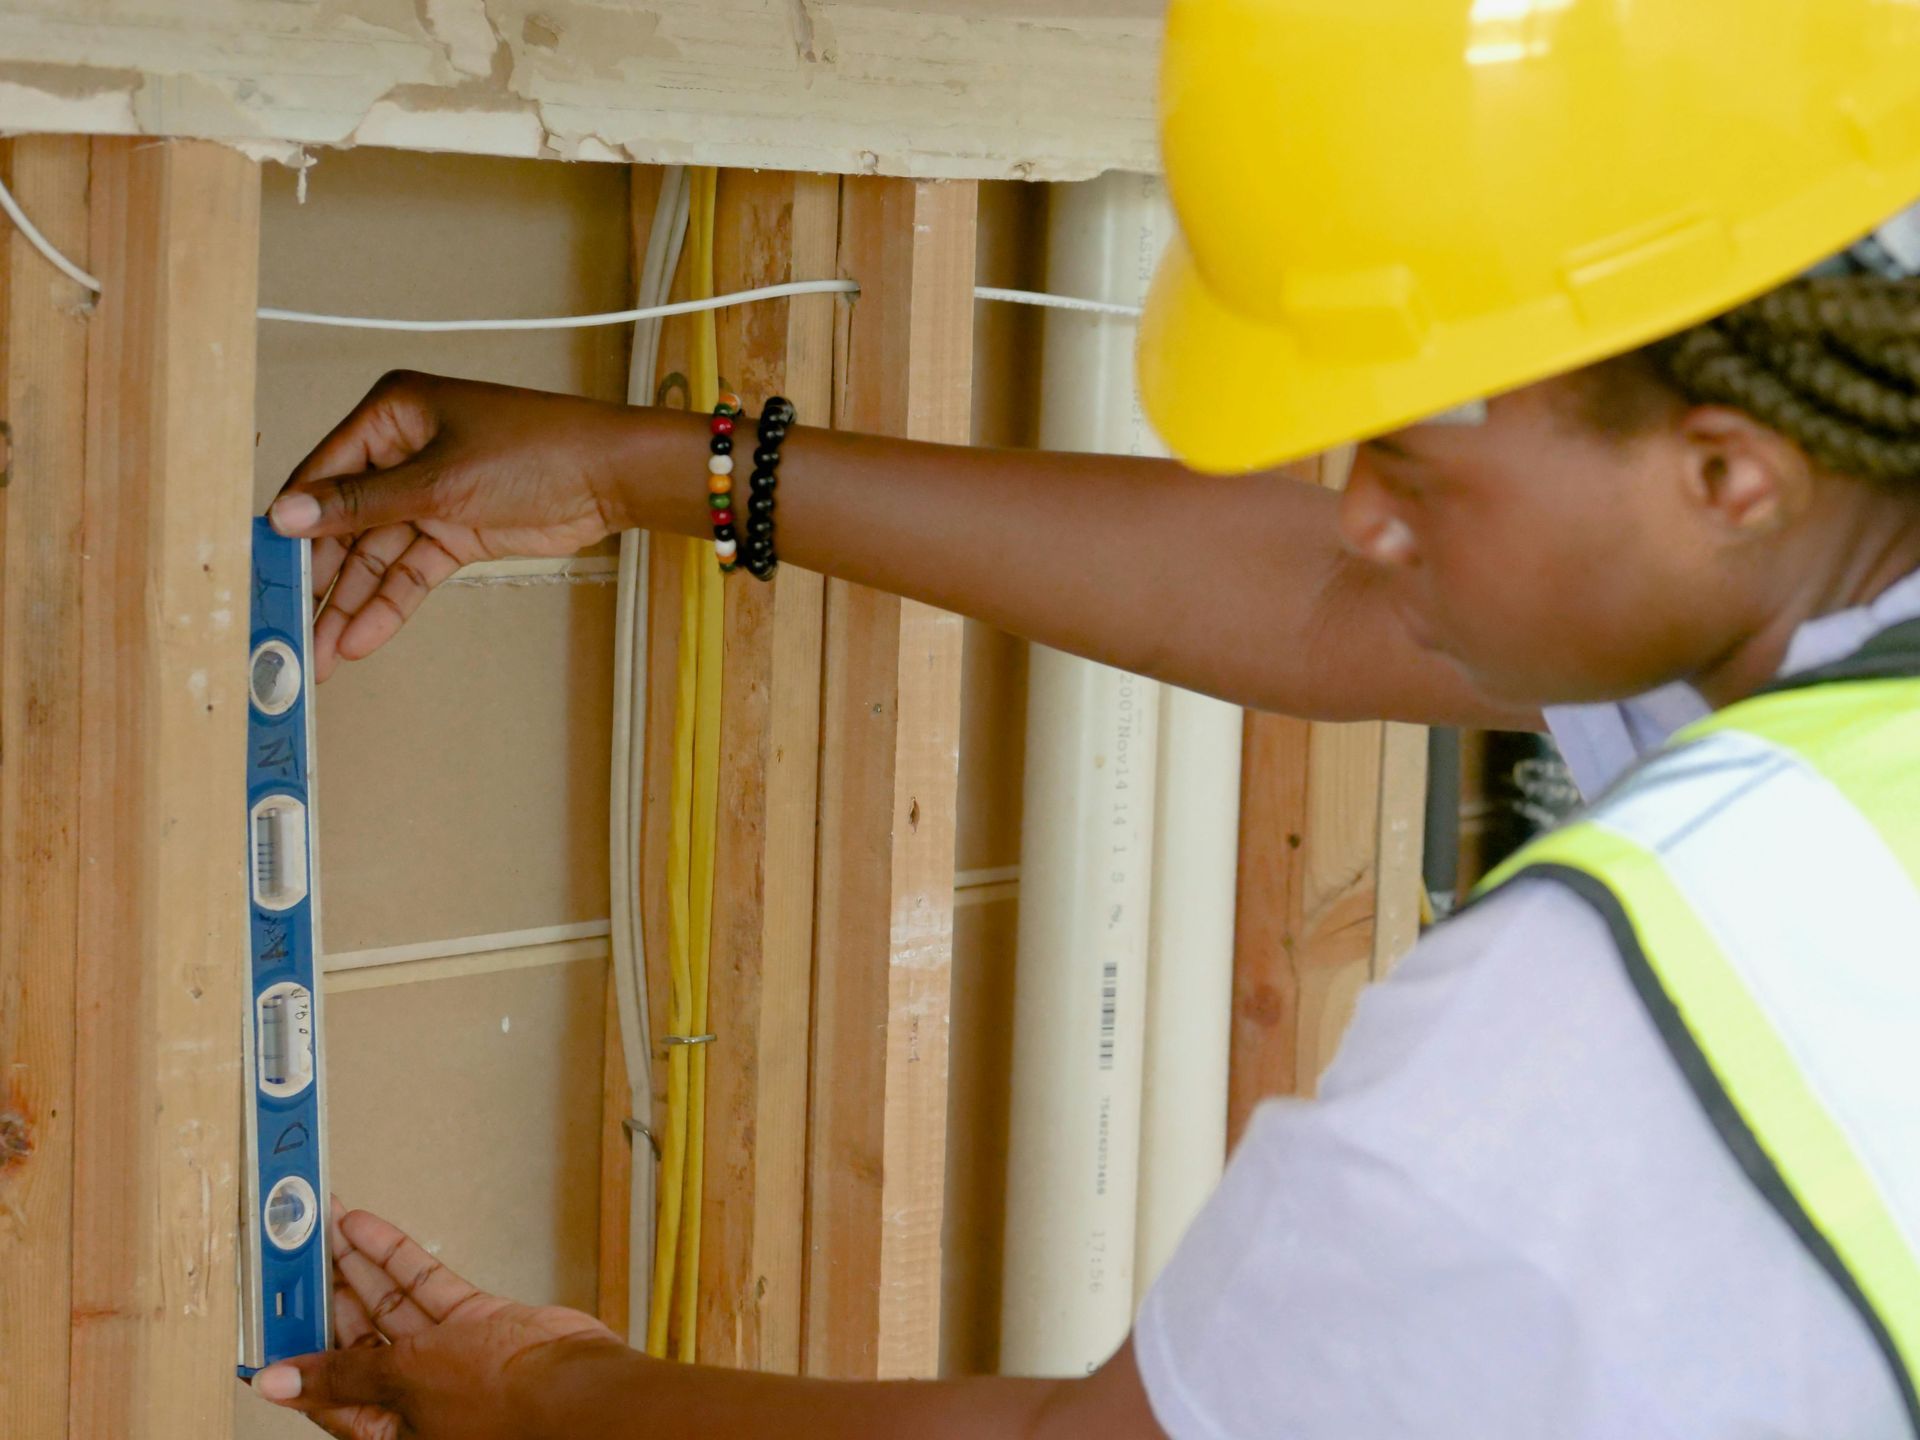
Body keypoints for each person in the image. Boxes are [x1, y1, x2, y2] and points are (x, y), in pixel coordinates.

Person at [254, 3, 1920, 1436]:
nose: (1360, 519)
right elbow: (1332, 603)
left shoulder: (1656, 982)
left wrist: (538, 1397)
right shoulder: (1822, 491)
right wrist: (655, 465)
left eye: (1407, 466)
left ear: (1727, 472)